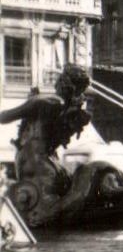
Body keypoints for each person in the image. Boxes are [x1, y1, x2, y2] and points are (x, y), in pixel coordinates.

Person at [0, 63, 92, 191]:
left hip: (32, 158)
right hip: (53, 160)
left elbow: (4, 117)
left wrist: (29, 104)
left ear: (61, 81)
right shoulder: (68, 109)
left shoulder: (42, 101)